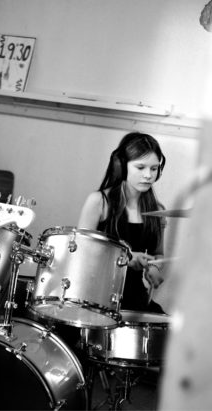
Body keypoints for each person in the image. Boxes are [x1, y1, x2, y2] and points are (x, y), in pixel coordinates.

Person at [78, 132, 167, 313]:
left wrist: (155, 268)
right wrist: (126, 258)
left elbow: (158, 254)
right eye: (140, 167)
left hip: (135, 300)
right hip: (95, 299)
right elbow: (81, 252)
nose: (148, 175)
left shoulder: (158, 210)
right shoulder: (99, 201)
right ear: (121, 166)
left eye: (154, 169)